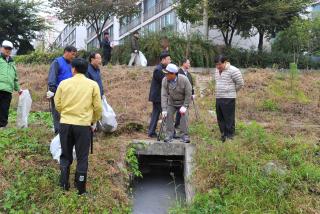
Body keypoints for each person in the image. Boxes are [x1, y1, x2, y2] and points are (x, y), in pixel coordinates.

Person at [54, 58, 102, 195]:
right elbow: (98, 107)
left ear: (73, 69)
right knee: (82, 157)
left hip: (65, 124)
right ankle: (80, 189)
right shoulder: (93, 85)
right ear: (86, 69)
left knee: (65, 155)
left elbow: (57, 103)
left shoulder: (63, 83)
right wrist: (93, 120)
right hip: (83, 125)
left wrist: (65, 113)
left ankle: (64, 185)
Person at [47, 46, 77, 134]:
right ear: (66, 52)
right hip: (58, 92)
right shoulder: (57, 62)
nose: (74, 56)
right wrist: (52, 89)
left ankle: (67, 130)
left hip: (70, 92)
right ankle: (58, 131)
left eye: (75, 55)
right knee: (57, 112)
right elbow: (52, 76)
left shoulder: (72, 64)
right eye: (72, 54)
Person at [214, 55, 244, 142]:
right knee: (220, 117)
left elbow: (240, 83)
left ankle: (230, 136)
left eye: (219, 64)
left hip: (229, 98)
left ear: (225, 62)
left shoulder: (233, 70)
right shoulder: (216, 70)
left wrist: (232, 91)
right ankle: (223, 134)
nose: (218, 66)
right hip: (219, 97)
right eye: (216, 64)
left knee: (229, 118)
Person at [161, 63, 192, 143]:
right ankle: (169, 134)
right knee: (168, 114)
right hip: (171, 102)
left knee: (183, 116)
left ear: (173, 74)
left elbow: (189, 93)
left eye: (167, 74)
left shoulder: (184, 79)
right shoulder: (165, 80)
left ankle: (184, 135)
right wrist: (164, 109)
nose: (166, 75)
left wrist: (185, 106)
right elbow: (164, 95)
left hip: (183, 102)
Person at [148, 52, 171, 138]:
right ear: (163, 59)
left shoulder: (163, 68)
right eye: (168, 59)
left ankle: (151, 132)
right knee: (166, 113)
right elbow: (164, 81)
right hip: (158, 96)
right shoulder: (158, 69)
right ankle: (170, 133)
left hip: (159, 96)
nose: (170, 61)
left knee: (156, 114)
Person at [0, 40, 22, 128]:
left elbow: (15, 79)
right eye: (6, 48)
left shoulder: (12, 63)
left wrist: (19, 89)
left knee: (5, 109)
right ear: (1, 48)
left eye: (9, 49)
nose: (8, 50)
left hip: (8, 90)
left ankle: (2, 127)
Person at [174, 58, 194, 137]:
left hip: (187, 96)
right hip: (179, 96)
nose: (189, 65)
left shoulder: (188, 74)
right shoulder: (178, 72)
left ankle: (183, 127)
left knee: (184, 111)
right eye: (188, 63)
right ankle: (177, 125)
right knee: (179, 111)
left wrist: (192, 94)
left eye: (189, 63)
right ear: (184, 63)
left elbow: (191, 85)